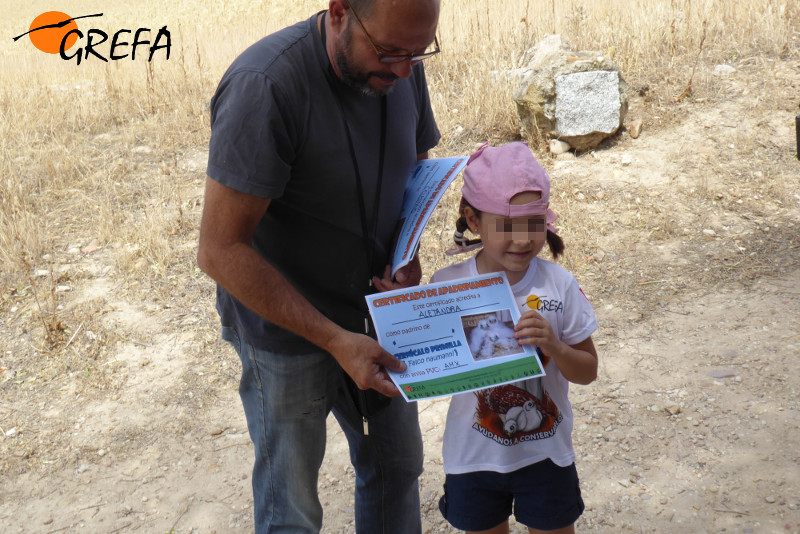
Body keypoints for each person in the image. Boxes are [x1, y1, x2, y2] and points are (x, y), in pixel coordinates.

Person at [196, 0, 441, 532]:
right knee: (292, 508)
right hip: (285, 333)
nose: (402, 71)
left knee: (397, 470)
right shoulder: (264, 86)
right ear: (338, 13)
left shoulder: (402, 67)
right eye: (390, 52)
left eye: (418, 54)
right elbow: (218, 250)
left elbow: (413, 164)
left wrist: (407, 248)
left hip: (378, 318)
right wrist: (334, 339)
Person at [431, 142, 599, 534]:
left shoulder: (558, 285)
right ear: (473, 220)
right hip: (472, 458)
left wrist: (555, 347)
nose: (523, 240)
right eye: (506, 226)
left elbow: (588, 371)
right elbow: (419, 360)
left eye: (534, 224)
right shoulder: (447, 287)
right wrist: (400, 306)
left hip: (546, 455)